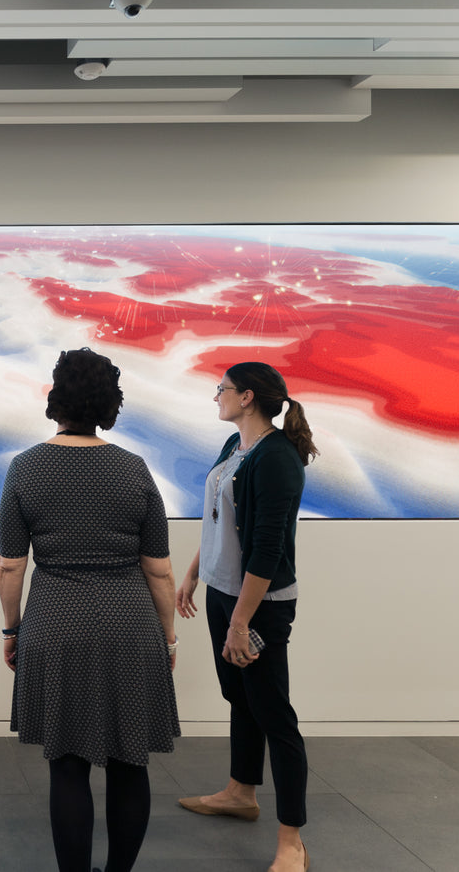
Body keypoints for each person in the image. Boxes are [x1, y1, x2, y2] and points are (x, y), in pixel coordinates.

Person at [0, 348, 179, 872]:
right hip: (131, 626)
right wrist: (166, 637)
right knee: (130, 763)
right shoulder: (134, 469)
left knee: (68, 766)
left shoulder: (25, 468)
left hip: (54, 625)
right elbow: (159, 570)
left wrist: (12, 629)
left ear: (56, 399)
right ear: (108, 405)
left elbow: (12, 566)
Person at [175, 361, 319, 872]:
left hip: (258, 605)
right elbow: (218, 513)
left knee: (275, 715)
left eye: (223, 389)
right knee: (242, 698)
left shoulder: (277, 458)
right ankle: (240, 792)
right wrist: (194, 571)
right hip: (224, 594)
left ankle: (291, 840)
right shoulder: (235, 447)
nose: (217, 396)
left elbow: (266, 548)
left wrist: (241, 621)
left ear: (248, 397)